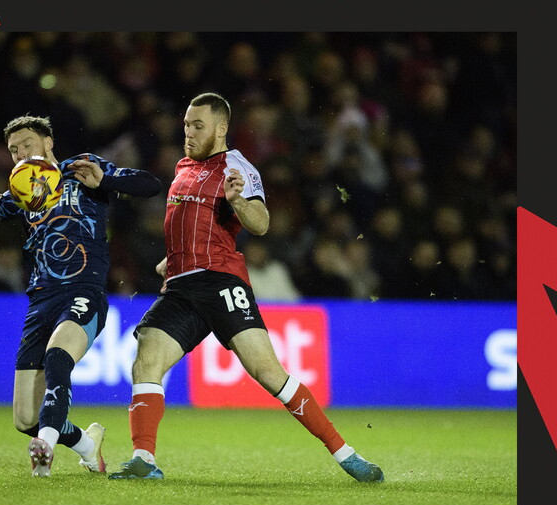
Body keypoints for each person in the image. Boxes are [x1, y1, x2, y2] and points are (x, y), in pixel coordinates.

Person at [107, 93, 384, 482]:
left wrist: (238, 202)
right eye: (186, 124)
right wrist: (173, 259)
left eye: (198, 125)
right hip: (182, 286)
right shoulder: (183, 167)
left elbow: (261, 223)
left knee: (269, 373)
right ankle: (143, 459)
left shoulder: (235, 166)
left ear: (220, 128)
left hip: (221, 281)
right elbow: (193, 227)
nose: (188, 132)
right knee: (146, 359)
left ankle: (346, 454)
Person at [0, 115, 162, 477]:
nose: (20, 153)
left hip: (84, 291)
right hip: (40, 301)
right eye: (12, 150)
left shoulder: (82, 169)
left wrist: (107, 179)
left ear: (48, 143)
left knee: (59, 355)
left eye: (26, 145)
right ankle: (87, 445)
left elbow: (151, 185)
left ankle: (45, 448)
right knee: (26, 418)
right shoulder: (21, 193)